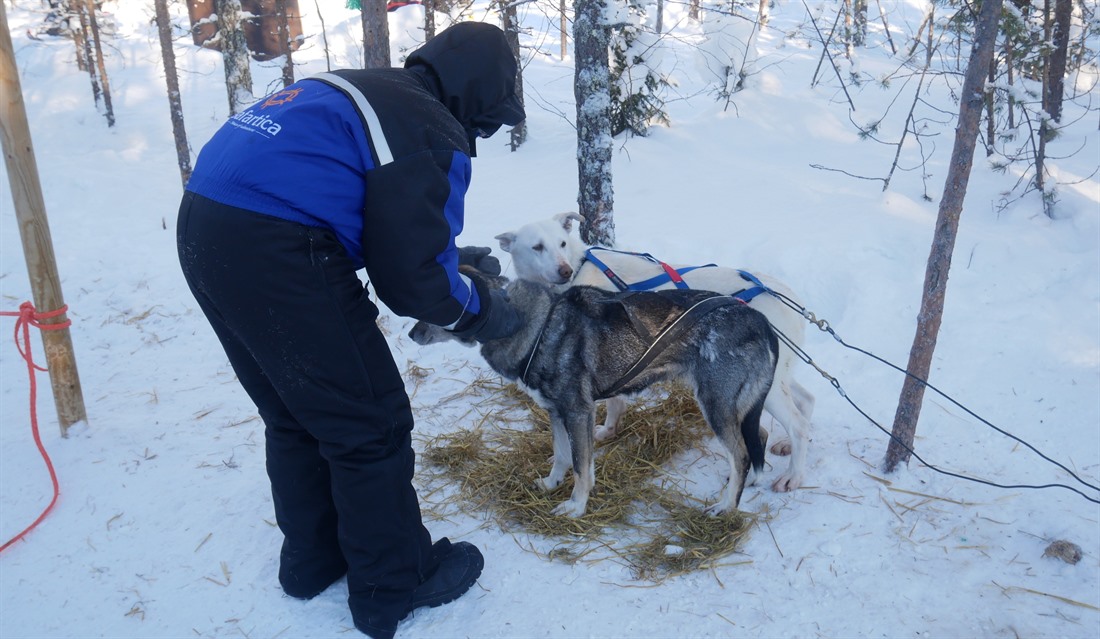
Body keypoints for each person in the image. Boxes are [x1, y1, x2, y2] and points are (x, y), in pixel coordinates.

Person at [175, 22, 524, 639]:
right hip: (275, 245)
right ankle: (395, 583)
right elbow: (414, 286)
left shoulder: (369, 88)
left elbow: (347, 197)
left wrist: (446, 256)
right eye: (487, 123)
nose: (479, 136)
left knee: (295, 411)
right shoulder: (429, 129)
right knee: (369, 421)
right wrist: (481, 310)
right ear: (475, 98)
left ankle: (312, 562)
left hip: (205, 223)